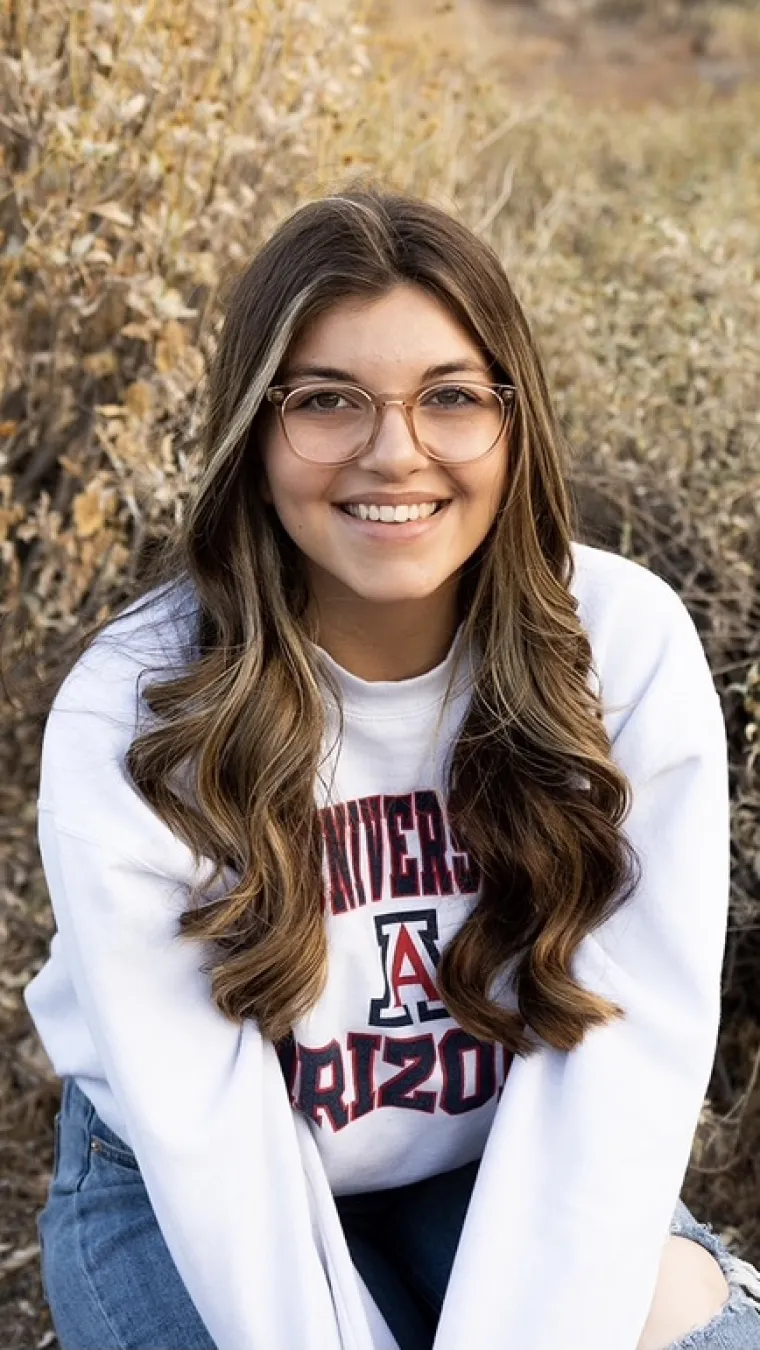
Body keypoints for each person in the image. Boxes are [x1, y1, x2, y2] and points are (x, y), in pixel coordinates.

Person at [24, 187, 760, 1350]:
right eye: (326, 402)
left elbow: (621, 1061)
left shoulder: (620, 648)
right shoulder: (138, 709)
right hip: (185, 1183)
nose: (394, 452)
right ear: (254, 433)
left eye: (452, 399)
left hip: (499, 1157)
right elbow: (217, 1151)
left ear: (515, 422)